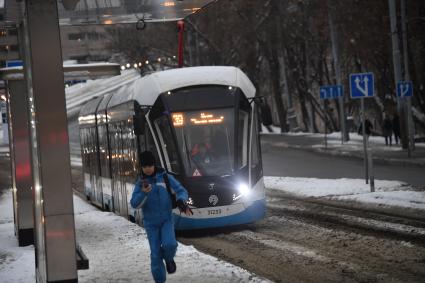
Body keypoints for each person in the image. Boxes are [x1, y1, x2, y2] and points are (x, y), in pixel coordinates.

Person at [130, 151, 192, 283]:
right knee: (155, 254)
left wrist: (182, 201)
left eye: (150, 165)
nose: (147, 169)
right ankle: (160, 280)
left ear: (154, 164)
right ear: (141, 167)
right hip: (150, 224)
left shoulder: (165, 178)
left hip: (166, 220)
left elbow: (181, 190)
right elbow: (134, 204)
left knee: (170, 244)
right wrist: (143, 193)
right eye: (145, 166)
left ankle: (169, 259)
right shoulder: (140, 183)